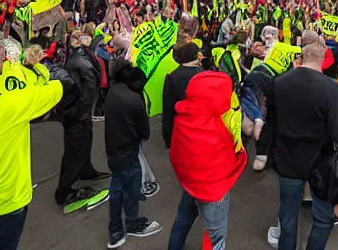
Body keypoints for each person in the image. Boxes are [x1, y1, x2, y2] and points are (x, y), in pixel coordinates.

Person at [0, 29, 66, 250]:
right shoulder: (7, 106)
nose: (5, 58)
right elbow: (57, 88)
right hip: (2, 209)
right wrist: (48, 65)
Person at [268, 33, 338, 250]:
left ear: (302, 58)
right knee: (323, 218)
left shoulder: (279, 82)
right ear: (323, 59)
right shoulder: (331, 88)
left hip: (287, 159)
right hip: (321, 163)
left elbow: (271, 122)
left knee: (288, 219)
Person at [167, 71, 246, 250]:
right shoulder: (218, 124)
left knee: (183, 219)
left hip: (191, 181)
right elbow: (231, 153)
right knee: (216, 236)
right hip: (213, 189)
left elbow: (176, 152)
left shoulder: (184, 114)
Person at [103, 59, 161, 248]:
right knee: (129, 187)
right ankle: (132, 223)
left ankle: (115, 229)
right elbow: (144, 131)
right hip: (128, 149)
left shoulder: (112, 92)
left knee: (117, 186)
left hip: (113, 148)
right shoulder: (133, 98)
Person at [56, 30, 111, 211]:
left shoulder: (79, 56)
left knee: (82, 146)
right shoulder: (81, 60)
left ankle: (86, 171)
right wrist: (82, 114)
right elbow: (88, 90)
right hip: (77, 114)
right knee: (76, 150)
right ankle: (63, 192)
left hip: (77, 113)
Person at [161, 42, 203, 149]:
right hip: (203, 126)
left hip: (182, 128)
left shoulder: (173, 77)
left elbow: (168, 110)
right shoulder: (203, 73)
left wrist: (168, 138)